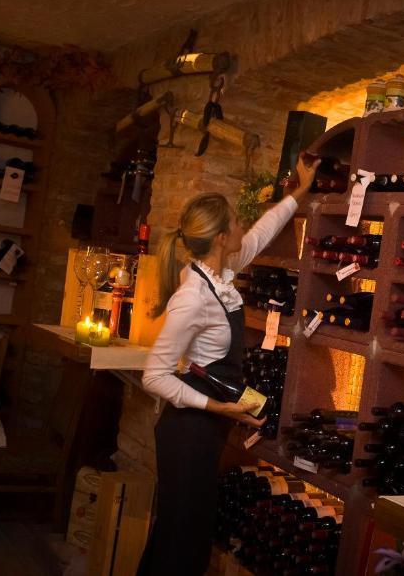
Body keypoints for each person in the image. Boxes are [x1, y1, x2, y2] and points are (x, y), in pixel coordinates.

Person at [137, 157, 318, 575]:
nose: (242, 227)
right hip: (188, 432)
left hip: (205, 431)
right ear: (220, 238)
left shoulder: (222, 274)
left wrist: (300, 192)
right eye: (236, 221)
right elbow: (154, 376)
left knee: (180, 540)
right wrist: (220, 408)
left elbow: (262, 233)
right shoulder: (193, 297)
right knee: (182, 547)